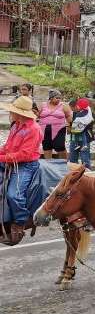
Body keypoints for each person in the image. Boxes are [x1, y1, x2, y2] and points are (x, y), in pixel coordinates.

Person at [0, 96, 43, 245]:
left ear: (21, 113)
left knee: (14, 194)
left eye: (13, 111)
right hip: (11, 161)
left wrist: (2, 158)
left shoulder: (34, 129)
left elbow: (24, 155)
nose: (11, 113)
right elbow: (7, 147)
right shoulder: (16, 125)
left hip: (26, 165)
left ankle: (20, 222)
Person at [38, 90, 72, 159]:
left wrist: (69, 126)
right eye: (57, 98)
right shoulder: (43, 105)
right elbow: (37, 115)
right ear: (51, 98)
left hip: (59, 129)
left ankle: (64, 163)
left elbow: (68, 116)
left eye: (60, 98)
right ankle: (49, 165)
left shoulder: (63, 106)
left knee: (60, 146)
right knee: (46, 147)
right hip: (44, 129)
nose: (59, 99)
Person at [68, 98, 94, 169]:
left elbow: (90, 122)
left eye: (72, 108)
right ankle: (73, 173)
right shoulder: (76, 112)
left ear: (76, 106)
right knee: (72, 157)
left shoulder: (87, 112)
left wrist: (77, 128)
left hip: (84, 136)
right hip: (74, 138)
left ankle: (87, 174)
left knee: (85, 157)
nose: (71, 110)